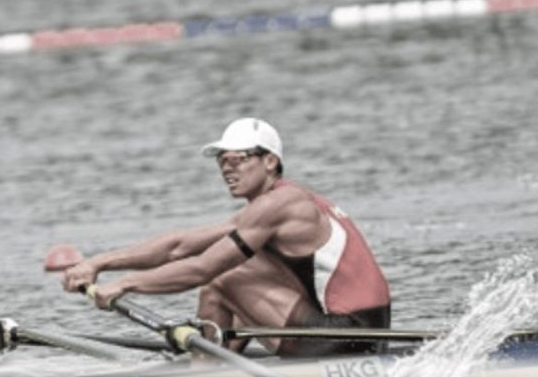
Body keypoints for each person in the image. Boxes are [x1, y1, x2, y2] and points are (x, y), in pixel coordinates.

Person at [62, 118, 391, 356]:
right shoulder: (274, 205)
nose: (227, 169)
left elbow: (201, 268)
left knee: (222, 276)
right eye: (222, 160)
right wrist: (99, 262)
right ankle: (214, 357)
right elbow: (180, 247)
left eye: (238, 159)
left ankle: (206, 371)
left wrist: (124, 285)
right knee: (230, 274)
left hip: (350, 337)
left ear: (270, 161)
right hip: (353, 330)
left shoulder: (280, 205)